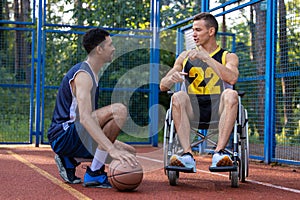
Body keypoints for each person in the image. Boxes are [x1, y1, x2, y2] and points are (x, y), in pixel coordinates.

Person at [48, 28, 138, 188]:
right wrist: (110, 148)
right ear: (99, 49)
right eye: (110, 45)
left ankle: (70, 160)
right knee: (119, 110)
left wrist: (113, 147)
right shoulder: (83, 75)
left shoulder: (93, 73)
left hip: (76, 134)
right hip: (63, 135)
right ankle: (94, 172)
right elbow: (85, 117)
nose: (114, 48)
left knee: (129, 153)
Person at [160, 12, 239, 171]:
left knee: (231, 94)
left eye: (198, 30)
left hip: (218, 111)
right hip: (192, 111)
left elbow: (232, 78)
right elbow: (163, 85)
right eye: (193, 30)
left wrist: (207, 59)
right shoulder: (185, 56)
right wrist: (171, 78)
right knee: (178, 96)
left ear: (211, 31)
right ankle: (187, 155)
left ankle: (219, 153)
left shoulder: (228, 56)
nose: (194, 34)